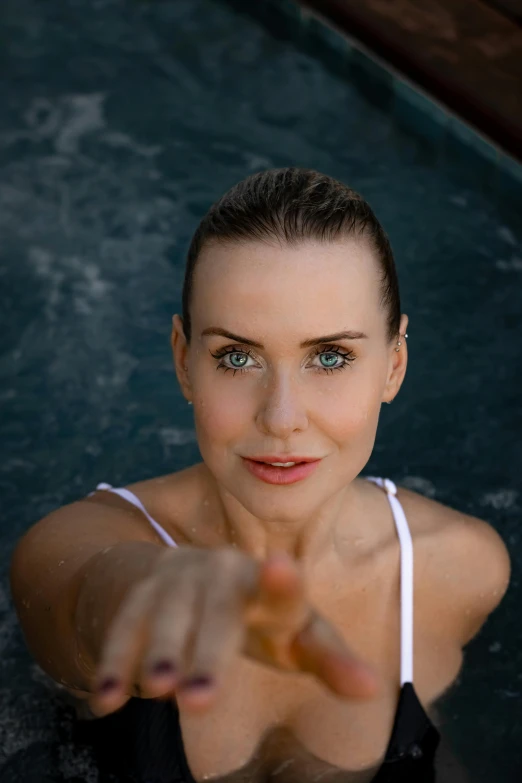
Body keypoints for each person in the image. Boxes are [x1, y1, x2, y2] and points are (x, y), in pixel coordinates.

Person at [10, 168, 510, 783]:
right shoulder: (68, 546)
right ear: (183, 362)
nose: (281, 418)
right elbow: (90, 598)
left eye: (331, 357)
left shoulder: (462, 571)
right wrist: (154, 590)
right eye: (236, 357)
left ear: (394, 365)